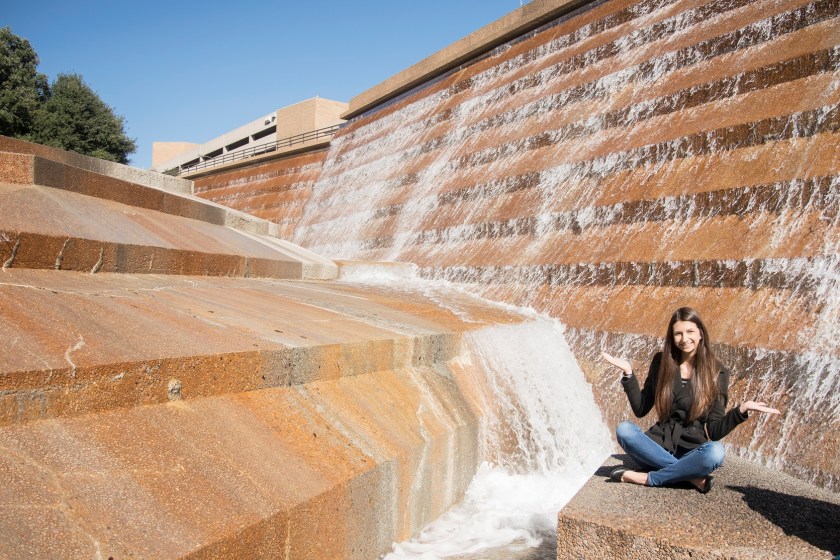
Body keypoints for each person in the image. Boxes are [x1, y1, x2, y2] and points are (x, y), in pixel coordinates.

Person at [601, 307, 780, 493]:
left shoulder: (717, 372)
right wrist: (628, 374)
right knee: (624, 430)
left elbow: (714, 430)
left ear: (701, 333)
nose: (684, 339)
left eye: (690, 332)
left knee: (716, 452)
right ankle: (691, 477)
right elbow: (641, 408)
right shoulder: (662, 361)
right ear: (672, 337)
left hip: (692, 450)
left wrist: (741, 410)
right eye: (678, 333)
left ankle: (650, 478)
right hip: (657, 445)